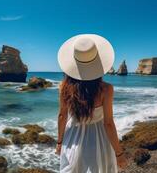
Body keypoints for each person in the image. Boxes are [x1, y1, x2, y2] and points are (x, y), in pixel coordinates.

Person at [55, 34, 128, 173]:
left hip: (73, 137)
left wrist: (59, 142)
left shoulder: (64, 87)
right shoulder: (106, 89)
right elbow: (108, 123)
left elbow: (62, 116)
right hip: (99, 138)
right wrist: (119, 154)